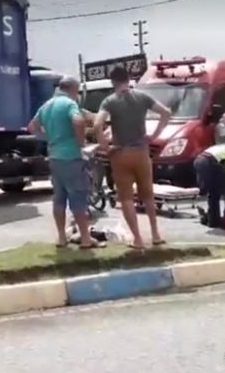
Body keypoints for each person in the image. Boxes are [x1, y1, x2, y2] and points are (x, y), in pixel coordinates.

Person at [94, 66, 171, 250]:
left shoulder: (109, 101)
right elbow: (166, 113)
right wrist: (154, 135)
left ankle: (137, 238)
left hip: (121, 153)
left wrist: (105, 147)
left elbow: (97, 125)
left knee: (126, 197)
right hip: (141, 152)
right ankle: (155, 234)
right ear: (128, 79)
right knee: (148, 195)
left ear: (113, 81)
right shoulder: (142, 97)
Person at [28, 76, 103, 249]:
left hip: (54, 157)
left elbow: (32, 127)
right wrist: (81, 142)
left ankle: (62, 237)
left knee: (59, 199)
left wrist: (48, 138)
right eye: (77, 91)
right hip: (71, 157)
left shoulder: (46, 106)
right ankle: (85, 238)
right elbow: (78, 120)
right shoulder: (69, 104)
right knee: (78, 198)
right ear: (73, 89)